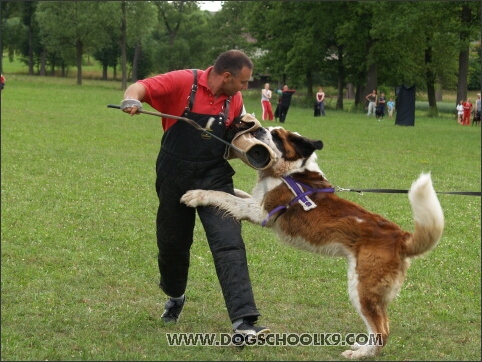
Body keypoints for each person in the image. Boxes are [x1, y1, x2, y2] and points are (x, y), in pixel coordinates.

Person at [120, 49, 269, 336]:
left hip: (214, 176)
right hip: (174, 174)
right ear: (226, 76)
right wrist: (131, 99)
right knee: (172, 243)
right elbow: (141, 86)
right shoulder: (182, 81)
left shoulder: (233, 98)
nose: (245, 88)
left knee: (229, 242)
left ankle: (244, 322)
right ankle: (175, 297)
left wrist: (247, 140)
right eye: (243, 81)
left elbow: (231, 138)